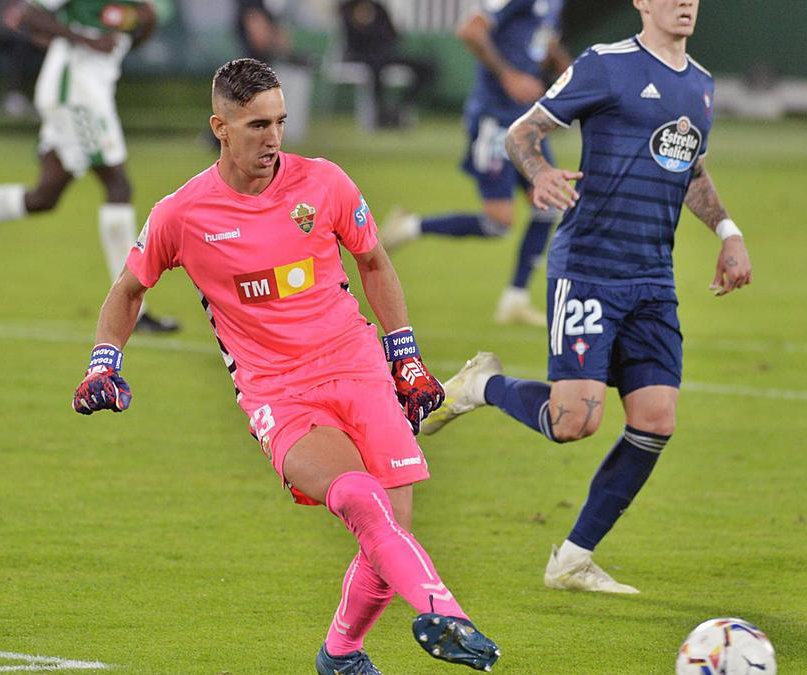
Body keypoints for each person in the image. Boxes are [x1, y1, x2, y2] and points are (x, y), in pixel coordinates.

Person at [70, 58, 501, 673]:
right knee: (359, 498)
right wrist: (103, 363)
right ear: (220, 126)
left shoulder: (324, 183)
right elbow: (128, 290)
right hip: (280, 392)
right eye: (255, 126)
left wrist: (404, 354)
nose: (273, 138)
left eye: (280, 122)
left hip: (358, 370)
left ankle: (341, 655)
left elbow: (373, 262)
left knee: (391, 537)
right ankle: (447, 612)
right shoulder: (182, 213)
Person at [421, 0, 753, 594]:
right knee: (573, 423)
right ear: (642, 3)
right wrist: (540, 173)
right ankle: (480, 387)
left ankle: (572, 558)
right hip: (589, 269)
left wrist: (727, 233)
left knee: (655, 419)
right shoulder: (604, 65)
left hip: (652, 277)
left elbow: (693, 171)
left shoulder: (701, 85)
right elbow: (524, 133)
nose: (685, 4)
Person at [0, 0, 178, 333]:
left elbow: (131, 32)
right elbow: (27, 15)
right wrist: (81, 38)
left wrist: (146, 22)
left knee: (44, 196)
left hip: (90, 94)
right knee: (118, 187)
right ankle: (134, 309)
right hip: (76, 96)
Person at [379, 0, 569, 326]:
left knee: (549, 203)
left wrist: (571, 74)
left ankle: (515, 299)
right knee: (498, 222)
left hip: (527, 122)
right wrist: (510, 75)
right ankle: (410, 227)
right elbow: (470, 29)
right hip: (495, 120)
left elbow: (542, 39)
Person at [337, 0, 436, 128]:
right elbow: (352, 41)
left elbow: (393, 35)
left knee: (426, 66)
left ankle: (401, 107)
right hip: (361, 56)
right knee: (375, 67)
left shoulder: (379, 9)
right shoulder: (347, 9)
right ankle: (381, 113)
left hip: (385, 55)